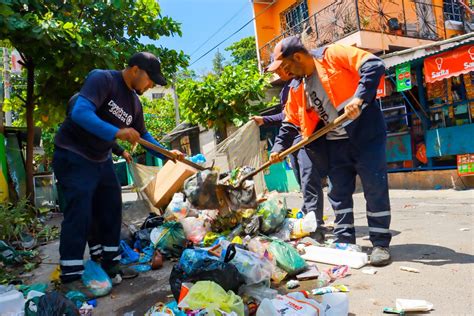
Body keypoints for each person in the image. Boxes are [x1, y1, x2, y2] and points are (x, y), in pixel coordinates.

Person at [53, 52, 184, 293]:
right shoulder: (102, 79)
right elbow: (80, 113)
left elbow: (145, 137)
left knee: (112, 206)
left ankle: (111, 265)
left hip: (99, 158)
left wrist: (169, 154)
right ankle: (71, 276)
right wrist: (117, 132)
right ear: (135, 70)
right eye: (150, 79)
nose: (152, 84)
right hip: (73, 153)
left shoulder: (134, 103)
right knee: (80, 212)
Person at [267, 36, 391, 266]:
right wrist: (278, 148)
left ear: (297, 57)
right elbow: (290, 122)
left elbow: (373, 65)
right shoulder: (296, 87)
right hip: (334, 143)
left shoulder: (332, 54)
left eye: (285, 66)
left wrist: (359, 97)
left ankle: (380, 243)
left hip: (366, 135)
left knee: (375, 187)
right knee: (338, 193)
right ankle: (345, 241)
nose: (284, 73)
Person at [251, 62, 328, 242]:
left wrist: (266, 120)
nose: (278, 72)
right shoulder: (288, 89)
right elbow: (286, 117)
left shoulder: (305, 82)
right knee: (302, 182)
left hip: (308, 137)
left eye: (278, 68)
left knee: (310, 181)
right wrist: (265, 120)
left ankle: (316, 226)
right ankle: (308, 217)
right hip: (293, 141)